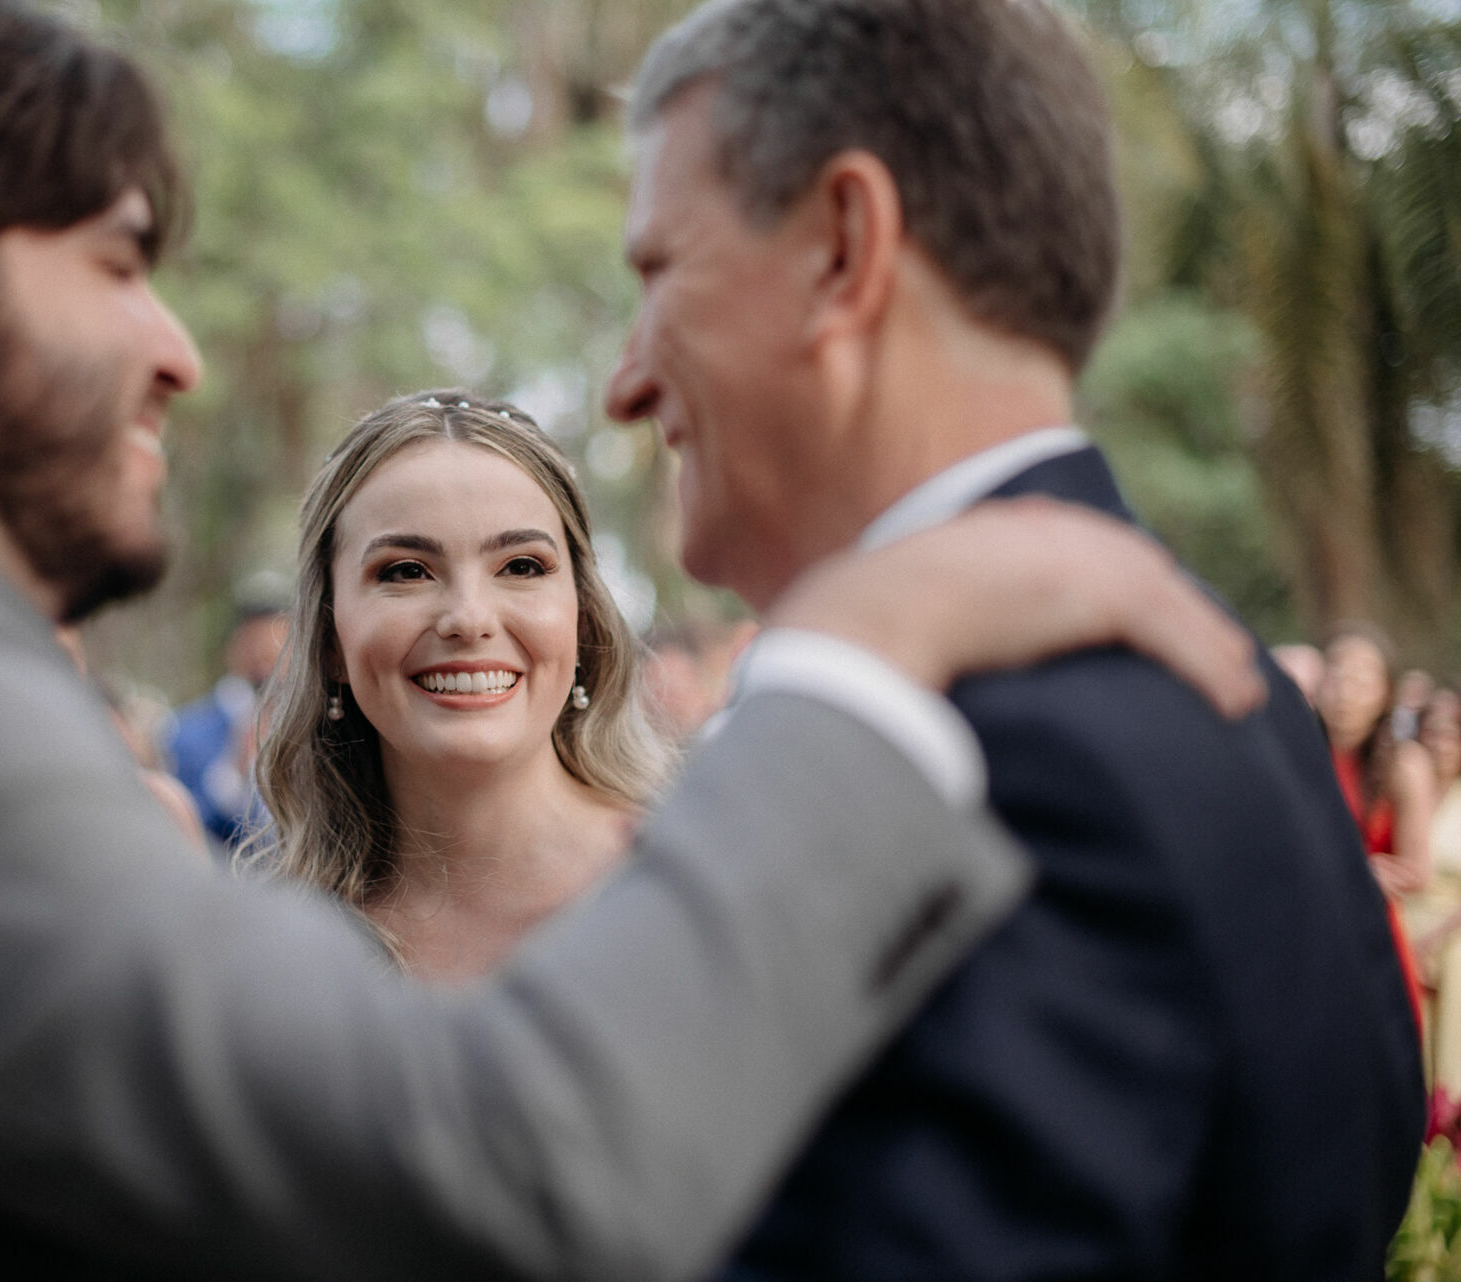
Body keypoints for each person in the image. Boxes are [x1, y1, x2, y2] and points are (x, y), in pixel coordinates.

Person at [0, 1, 1267, 1278]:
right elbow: (493, 1176)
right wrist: (869, 649)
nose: (177, 350)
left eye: (523, 565)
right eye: (116, 261)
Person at [603, 0, 1424, 1275]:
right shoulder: (1236, 692)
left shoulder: (1023, 758)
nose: (626, 378)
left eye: (660, 272)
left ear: (841, 248)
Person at [248, 392, 669, 979]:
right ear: (329, 640)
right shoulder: (266, 957)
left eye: (521, 566)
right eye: (405, 572)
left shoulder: (701, 887)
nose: (469, 619)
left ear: (583, 617)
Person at [1319, 622, 1437, 1020]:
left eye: (1361, 680)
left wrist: (1353, 873)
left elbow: (1417, 872)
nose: (1345, 691)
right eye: (1336, 674)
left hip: (1371, 939)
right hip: (1306, 931)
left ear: (1385, 693)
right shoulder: (1294, 754)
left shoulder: (1404, 764)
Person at [164, 603, 288, 851]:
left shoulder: (316, 721)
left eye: (279, 646)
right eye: (257, 645)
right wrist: (235, 769)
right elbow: (188, 826)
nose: (267, 657)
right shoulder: (188, 733)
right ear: (234, 648)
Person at [1409, 686, 1461, 1090]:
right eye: (1433, 731)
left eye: (1453, 732)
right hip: (1410, 916)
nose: (1442, 743)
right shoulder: (1405, 786)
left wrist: (1434, 937)